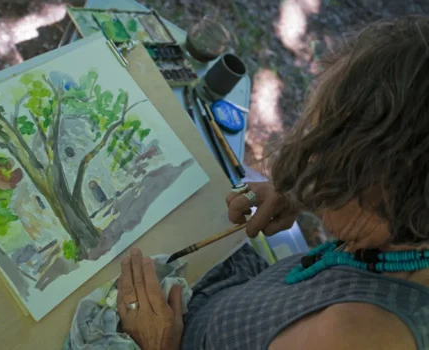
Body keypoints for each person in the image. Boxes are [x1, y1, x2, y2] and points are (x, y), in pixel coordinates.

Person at [116, 16, 429, 350]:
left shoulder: (356, 336)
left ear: (387, 190)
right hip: (230, 299)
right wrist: (301, 198)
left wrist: (158, 345)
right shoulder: (405, 232)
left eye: (333, 162)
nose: (310, 165)